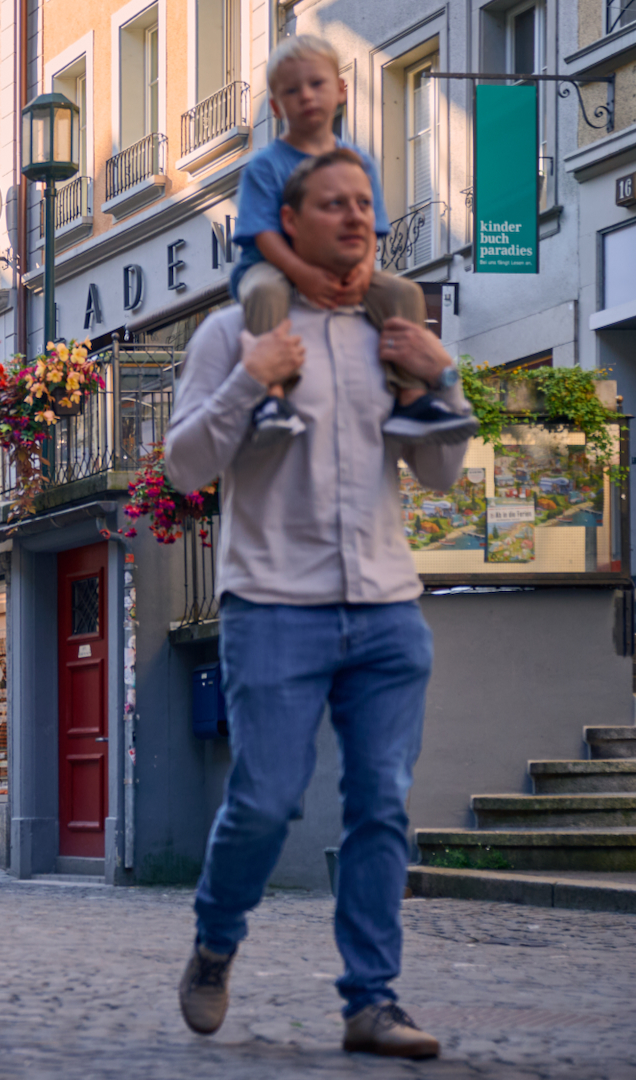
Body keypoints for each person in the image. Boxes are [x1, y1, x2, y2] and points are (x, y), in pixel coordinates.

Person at [165, 147, 470, 1060]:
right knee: (264, 801)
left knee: (381, 805)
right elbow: (185, 464)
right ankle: (217, 939)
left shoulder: (394, 332)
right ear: (288, 225)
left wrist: (440, 375)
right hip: (273, 604)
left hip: (385, 608)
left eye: (366, 204)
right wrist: (251, 378)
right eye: (334, 204)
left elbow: (443, 473)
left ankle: (370, 1000)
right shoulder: (231, 333)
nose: (356, 219)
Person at [231, 35, 474, 447]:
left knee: (402, 293)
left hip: (343, 266)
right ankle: (272, 399)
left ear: (341, 90)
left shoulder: (359, 162)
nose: (306, 96)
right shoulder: (264, 166)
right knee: (264, 293)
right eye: (292, 90)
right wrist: (303, 274)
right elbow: (264, 234)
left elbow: (371, 229)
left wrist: (363, 272)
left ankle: (410, 395)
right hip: (272, 264)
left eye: (317, 84)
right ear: (275, 106)